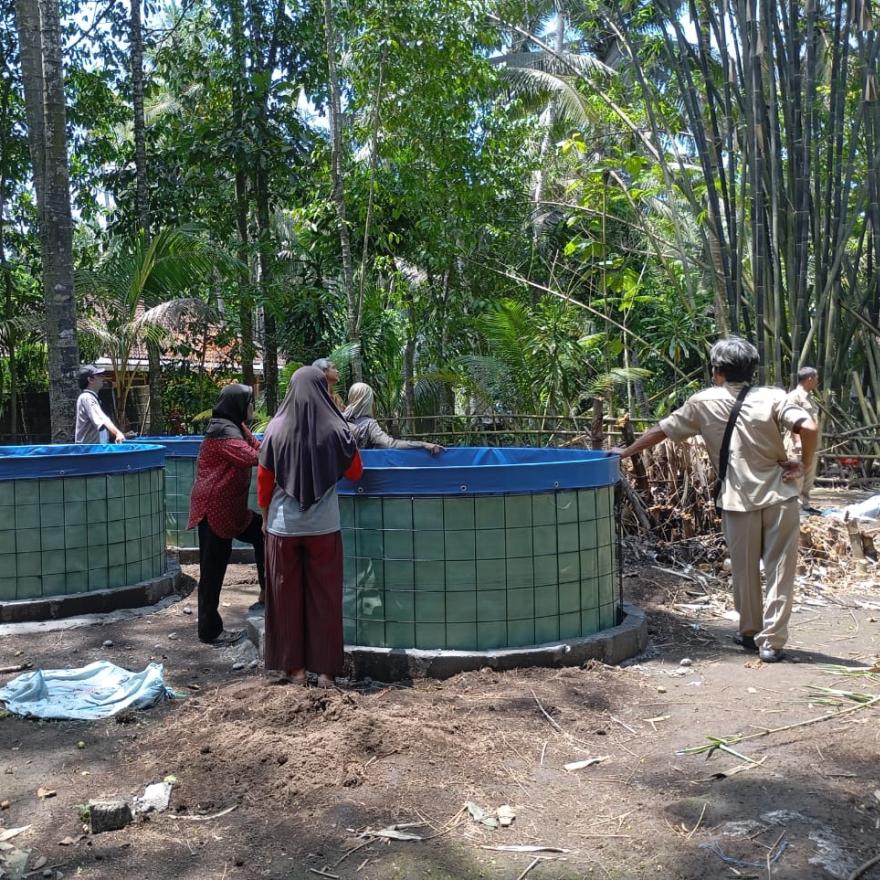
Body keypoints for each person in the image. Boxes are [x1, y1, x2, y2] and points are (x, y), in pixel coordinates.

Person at [613, 337, 817, 663]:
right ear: (751, 369)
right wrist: (804, 464)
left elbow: (661, 430)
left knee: (744, 569)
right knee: (781, 570)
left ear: (717, 370)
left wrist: (624, 452)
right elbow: (808, 425)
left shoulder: (702, 401)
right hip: (780, 495)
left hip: (738, 499)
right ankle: (772, 643)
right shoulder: (774, 396)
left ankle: (750, 632)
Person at [257, 366, 363, 687]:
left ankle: (296, 670)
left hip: (282, 529)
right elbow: (356, 471)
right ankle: (327, 674)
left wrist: (264, 517)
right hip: (324, 528)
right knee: (325, 598)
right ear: (322, 389)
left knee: (285, 598)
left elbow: (264, 481)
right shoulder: (337, 428)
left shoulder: (275, 428)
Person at [187, 384, 265, 644]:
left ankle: (267, 595)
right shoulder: (221, 431)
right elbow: (252, 456)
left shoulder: (237, 426)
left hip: (232, 508)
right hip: (213, 508)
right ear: (238, 404)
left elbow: (258, 445)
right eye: (249, 403)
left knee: (263, 533)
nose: (252, 408)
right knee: (212, 572)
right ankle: (209, 631)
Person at [343, 382, 444, 455]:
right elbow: (390, 444)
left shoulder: (339, 418)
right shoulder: (369, 424)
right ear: (367, 401)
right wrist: (422, 444)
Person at [784, 367, 821, 514]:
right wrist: (798, 441)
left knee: (808, 475)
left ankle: (805, 504)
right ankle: (796, 508)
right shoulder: (794, 396)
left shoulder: (809, 397)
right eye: (817, 378)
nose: (818, 382)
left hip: (811, 444)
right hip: (797, 444)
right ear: (810, 379)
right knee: (797, 476)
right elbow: (791, 420)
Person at [75, 365, 126, 444]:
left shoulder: (91, 398)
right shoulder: (87, 398)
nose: (103, 378)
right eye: (99, 375)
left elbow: (101, 430)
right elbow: (102, 419)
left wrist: (121, 435)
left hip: (93, 450)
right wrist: (117, 433)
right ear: (90, 380)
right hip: (88, 452)